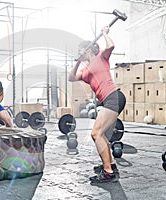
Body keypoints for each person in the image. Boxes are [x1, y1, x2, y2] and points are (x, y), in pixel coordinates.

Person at [68, 26, 126, 183]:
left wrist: (105, 34)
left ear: (88, 49)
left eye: (81, 50)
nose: (80, 52)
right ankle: (110, 166)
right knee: (101, 135)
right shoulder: (85, 70)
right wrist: (78, 62)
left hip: (113, 97)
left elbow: (111, 46)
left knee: (96, 134)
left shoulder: (101, 57)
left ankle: (108, 172)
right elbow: (71, 78)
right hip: (109, 100)